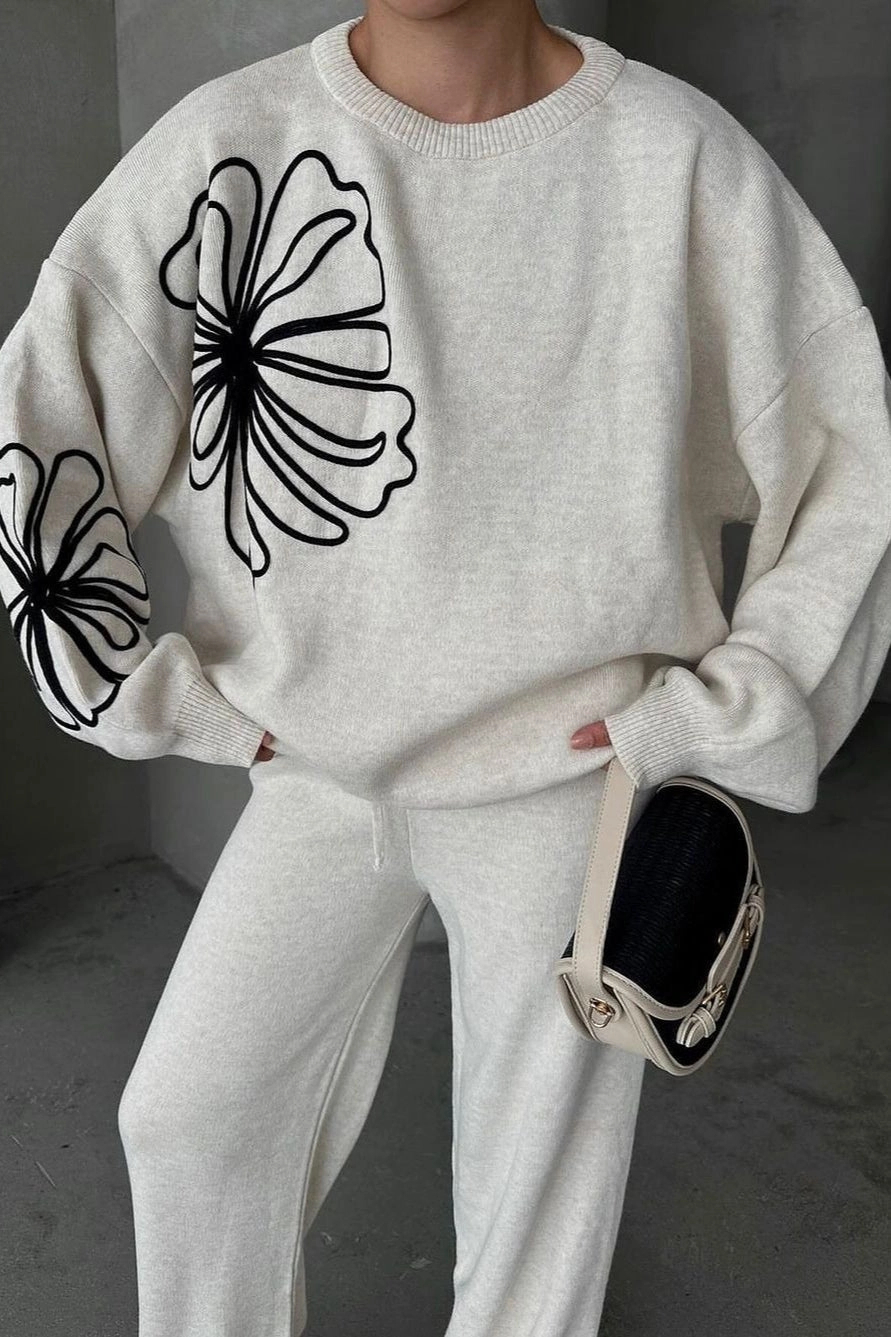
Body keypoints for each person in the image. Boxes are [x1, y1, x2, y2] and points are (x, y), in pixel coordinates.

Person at [2, 2, 891, 1334]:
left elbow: (851, 461)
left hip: (563, 780)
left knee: (533, 1217)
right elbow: (44, 420)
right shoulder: (231, 147)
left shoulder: (677, 160)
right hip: (317, 769)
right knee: (189, 1119)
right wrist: (160, 695)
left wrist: (717, 713)